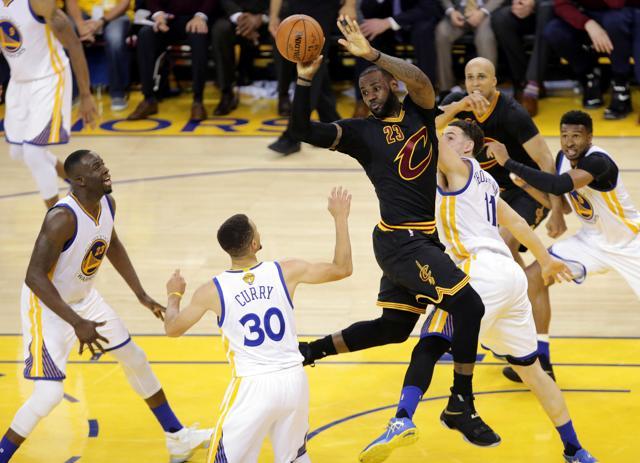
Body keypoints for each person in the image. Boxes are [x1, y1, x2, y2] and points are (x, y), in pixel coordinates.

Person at [289, 16, 500, 446]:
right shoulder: (361, 134)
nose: (370, 96)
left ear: (392, 85)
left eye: (376, 86)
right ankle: (461, 402)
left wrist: (372, 55)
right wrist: (303, 81)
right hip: (400, 242)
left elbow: (422, 80)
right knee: (469, 307)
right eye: (364, 92)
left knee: (393, 328)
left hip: (419, 239)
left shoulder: (421, 113)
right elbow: (300, 130)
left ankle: (308, 352)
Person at [359, 120, 598, 463]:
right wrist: (544, 259)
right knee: (532, 372)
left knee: (431, 340)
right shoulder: (484, 182)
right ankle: (575, 450)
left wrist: (443, 108)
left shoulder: (457, 169)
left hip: (478, 273)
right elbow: (516, 223)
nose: (444, 140)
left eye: (452, 137)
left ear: (468, 147)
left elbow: (426, 128)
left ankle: (402, 419)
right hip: (510, 279)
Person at [0, 150, 211, 463]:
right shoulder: (62, 218)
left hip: (85, 300)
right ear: (81, 180)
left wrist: (141, 294)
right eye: (97, 167)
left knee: (134, 358)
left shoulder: (107, 204)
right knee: (48, 397)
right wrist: (76, 322)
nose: (106, 169)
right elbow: (34, 277)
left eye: (103, 163)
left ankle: (177, 438)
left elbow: (110, 243)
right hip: (47, 306)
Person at [163, 187, 354, 463]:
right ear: (254, 244)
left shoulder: (211, 291)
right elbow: (342, 268)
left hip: (253, 387)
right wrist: (340, 217)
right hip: (293, 380)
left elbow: (172, 329)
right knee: (295, 458)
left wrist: (174, 294)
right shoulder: (286, 269)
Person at [489, 110, 640, 382]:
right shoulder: (562, 159)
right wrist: (547, 203)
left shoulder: (599, 162)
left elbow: (559, 184)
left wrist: (508, 162)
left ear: (589, 137)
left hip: (630, 243)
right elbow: (567, 202)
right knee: (534, 277)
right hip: (591, 241)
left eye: (576, 136)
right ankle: (541, 359)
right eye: (564, 135)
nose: (569, 142)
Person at [437, 57, 567, 272]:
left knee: (505, 245)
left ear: (494, 81)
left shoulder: (512, 114)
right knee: (494, 250)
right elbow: (428, 126)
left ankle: (526, 293)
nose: (475, 83)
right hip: (490, 190)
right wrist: (458, 106)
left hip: (527, 189)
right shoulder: (458, 102)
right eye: (470, 78)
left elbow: (544, 159)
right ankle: (524, 294)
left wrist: (556, 211)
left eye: (481, 77)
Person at [0, 0, 98, 208]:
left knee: (33, 153)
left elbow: (73, 43)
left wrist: (86, 95)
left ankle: (55, 220)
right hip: (19, 82)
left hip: (49, 78)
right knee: (18, 152)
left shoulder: (38, 3)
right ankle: (79, 182)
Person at [267, 0, 351, 155]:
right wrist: (273, 15)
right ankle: (333, 123)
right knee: (313, 66)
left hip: (322, 7)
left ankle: (292, 135)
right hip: (293, 6)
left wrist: (350, 4)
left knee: (312, 62)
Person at [127, 0, 214, 121]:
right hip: (167, 18)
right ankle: (148, 99)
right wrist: (158, 14)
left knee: (198, 35)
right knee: (145, 35)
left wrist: (201, 15)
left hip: (195, 17)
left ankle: (198, 101)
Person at [65, 0, 133, 111]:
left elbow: (125, 3)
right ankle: (73, 93)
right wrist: (81, 26)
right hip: (83, 14)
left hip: (114, 14)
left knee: (115, 39)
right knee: (66, 32)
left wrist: (101, 22)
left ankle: (118, 93)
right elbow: (71, 2)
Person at [211, 0, 270, 116]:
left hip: (268, 18)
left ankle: (284, 95)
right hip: (234, 16)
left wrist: (263, 17)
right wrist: (239, 17)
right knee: (220, 30)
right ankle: (226, 93)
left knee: (285, 28)